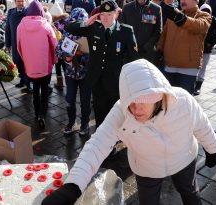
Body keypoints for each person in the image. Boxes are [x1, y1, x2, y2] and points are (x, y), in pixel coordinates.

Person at [42, 59, 216, 205]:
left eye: (143, 101)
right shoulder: (122, 111)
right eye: (131, 102)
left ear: (157, 95)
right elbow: (97, 145)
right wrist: (73, 186)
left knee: (190, 193)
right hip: (146, 167)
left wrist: (212, 149)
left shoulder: (182, 101)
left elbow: (202, 125)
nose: (135, 109)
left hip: (183, 158)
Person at [65, 0, 138, 130]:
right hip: (96, 79)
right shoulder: (93, 27)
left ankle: (114, 139)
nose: (105, 18)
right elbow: (68, 28)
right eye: (102, 14)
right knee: (99, 111)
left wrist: (128, 80)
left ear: (116, 14)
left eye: (109, 14)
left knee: (114, 112)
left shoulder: (125, 31)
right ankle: (100, 135)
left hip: (114, 81)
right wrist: (85, 23)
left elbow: (133, 59)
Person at [17, 0, 58, 129]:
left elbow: (18, 47)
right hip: (45, 65)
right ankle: (42, 115)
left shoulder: (20, 26)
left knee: (35, 89)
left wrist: (26, 60)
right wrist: (54, 59)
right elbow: (54, 44)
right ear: (41, 11)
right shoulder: (45, 25)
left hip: (30, 66)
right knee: (44, 89)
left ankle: (36, 113)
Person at [157, 0, 211, 94]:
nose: (183, 1)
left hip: (188, 69)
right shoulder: (174, 15)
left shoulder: (204, 16)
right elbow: (163, 37)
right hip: (169, 66)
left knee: (184, 104)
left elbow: (198, 25)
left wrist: (181, 18)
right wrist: (158, 51)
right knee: (168, 104)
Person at [55, 8, 92, 136]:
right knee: (69, 99)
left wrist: (83, 55)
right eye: (75, 22)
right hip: (70, 74)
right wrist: (66, 56)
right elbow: (58, 50)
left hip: (86, 74)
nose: (78, 26)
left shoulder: (90, 35)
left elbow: (97, 56)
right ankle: (71, 123)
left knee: (85, 101)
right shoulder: (67, 33)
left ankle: (85, 124)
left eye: (81, 23)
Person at [194, 4, 216, 95]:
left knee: (203, 67)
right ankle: (193, 82)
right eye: (204, 11)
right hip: (196, 47)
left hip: (207, 48)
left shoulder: (212, 19)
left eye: (208, 11)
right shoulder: (197, 18)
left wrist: (211, 43)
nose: (206, 13)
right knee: (194, 65)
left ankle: (198, 86)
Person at [5, 0, 33, 92]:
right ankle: (22, 79)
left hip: (27, 43)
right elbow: (8, 28)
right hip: (15, 42)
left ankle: (28, 82)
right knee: (17, 62)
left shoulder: (29, 11)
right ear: (15, 2)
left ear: (25, 1)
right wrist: (7, 43)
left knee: (27, 63)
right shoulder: (10, 12)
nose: (20, 3)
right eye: (18, 1)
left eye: (22, 1)